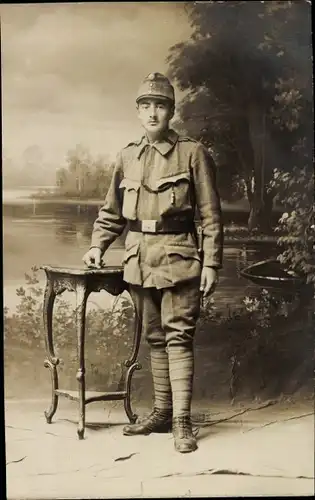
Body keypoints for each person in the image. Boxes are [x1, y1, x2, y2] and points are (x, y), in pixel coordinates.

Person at [82, 72, 223, 453]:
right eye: (145, 106)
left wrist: (211, 264)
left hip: (178, 254)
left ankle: (182, 422)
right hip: (139, 257)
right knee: (155, 337)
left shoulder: (192, 153)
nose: (152, 113)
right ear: (138, 112)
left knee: (179, 336)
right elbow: (111, 211)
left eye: (159, 105)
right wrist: (98, 245)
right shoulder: (128, 155)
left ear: (171, 111)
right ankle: (161, 413)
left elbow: (210, 214)